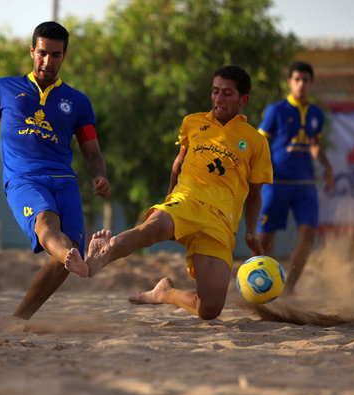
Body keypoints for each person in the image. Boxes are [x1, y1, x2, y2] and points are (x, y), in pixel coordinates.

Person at [65, 65, 272, 320]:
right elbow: (179, 163)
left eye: (227, 93)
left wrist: (251, 231)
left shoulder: (256, 141)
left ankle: (165, 293)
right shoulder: (192, 122)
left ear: (244, 100)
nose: (218, 99)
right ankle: (96, 259)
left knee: (210, 310)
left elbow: (255, 193)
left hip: (220, 221)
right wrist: (169, 199)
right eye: (215, 91)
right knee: (152, 228)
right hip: (187, 200)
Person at [0, 22, 110, 320]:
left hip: (64, 181)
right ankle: (76, 259)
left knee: (65, 256)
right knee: (47, 221)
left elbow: (92, 150)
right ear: (32, 51)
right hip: (24, 179)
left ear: (65, 56)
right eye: (43, 53)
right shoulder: (4, 88)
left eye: (56, 55)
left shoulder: (79, 102)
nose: (48, 61)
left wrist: (100, 175)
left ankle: (19, 319)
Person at [256, 61, 334, 295]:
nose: (301, 84)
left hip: (305, 184)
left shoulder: (316, 114)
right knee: (265, 237)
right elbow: (260, 142)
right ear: (289, 82)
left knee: (309, 234)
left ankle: (289, 288)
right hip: (276, 181)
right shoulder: (275, 110)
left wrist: (327, 166)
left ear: (311, 82)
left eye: (305, 80)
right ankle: (261, 285)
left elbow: (315, 146)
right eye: (296, 79)